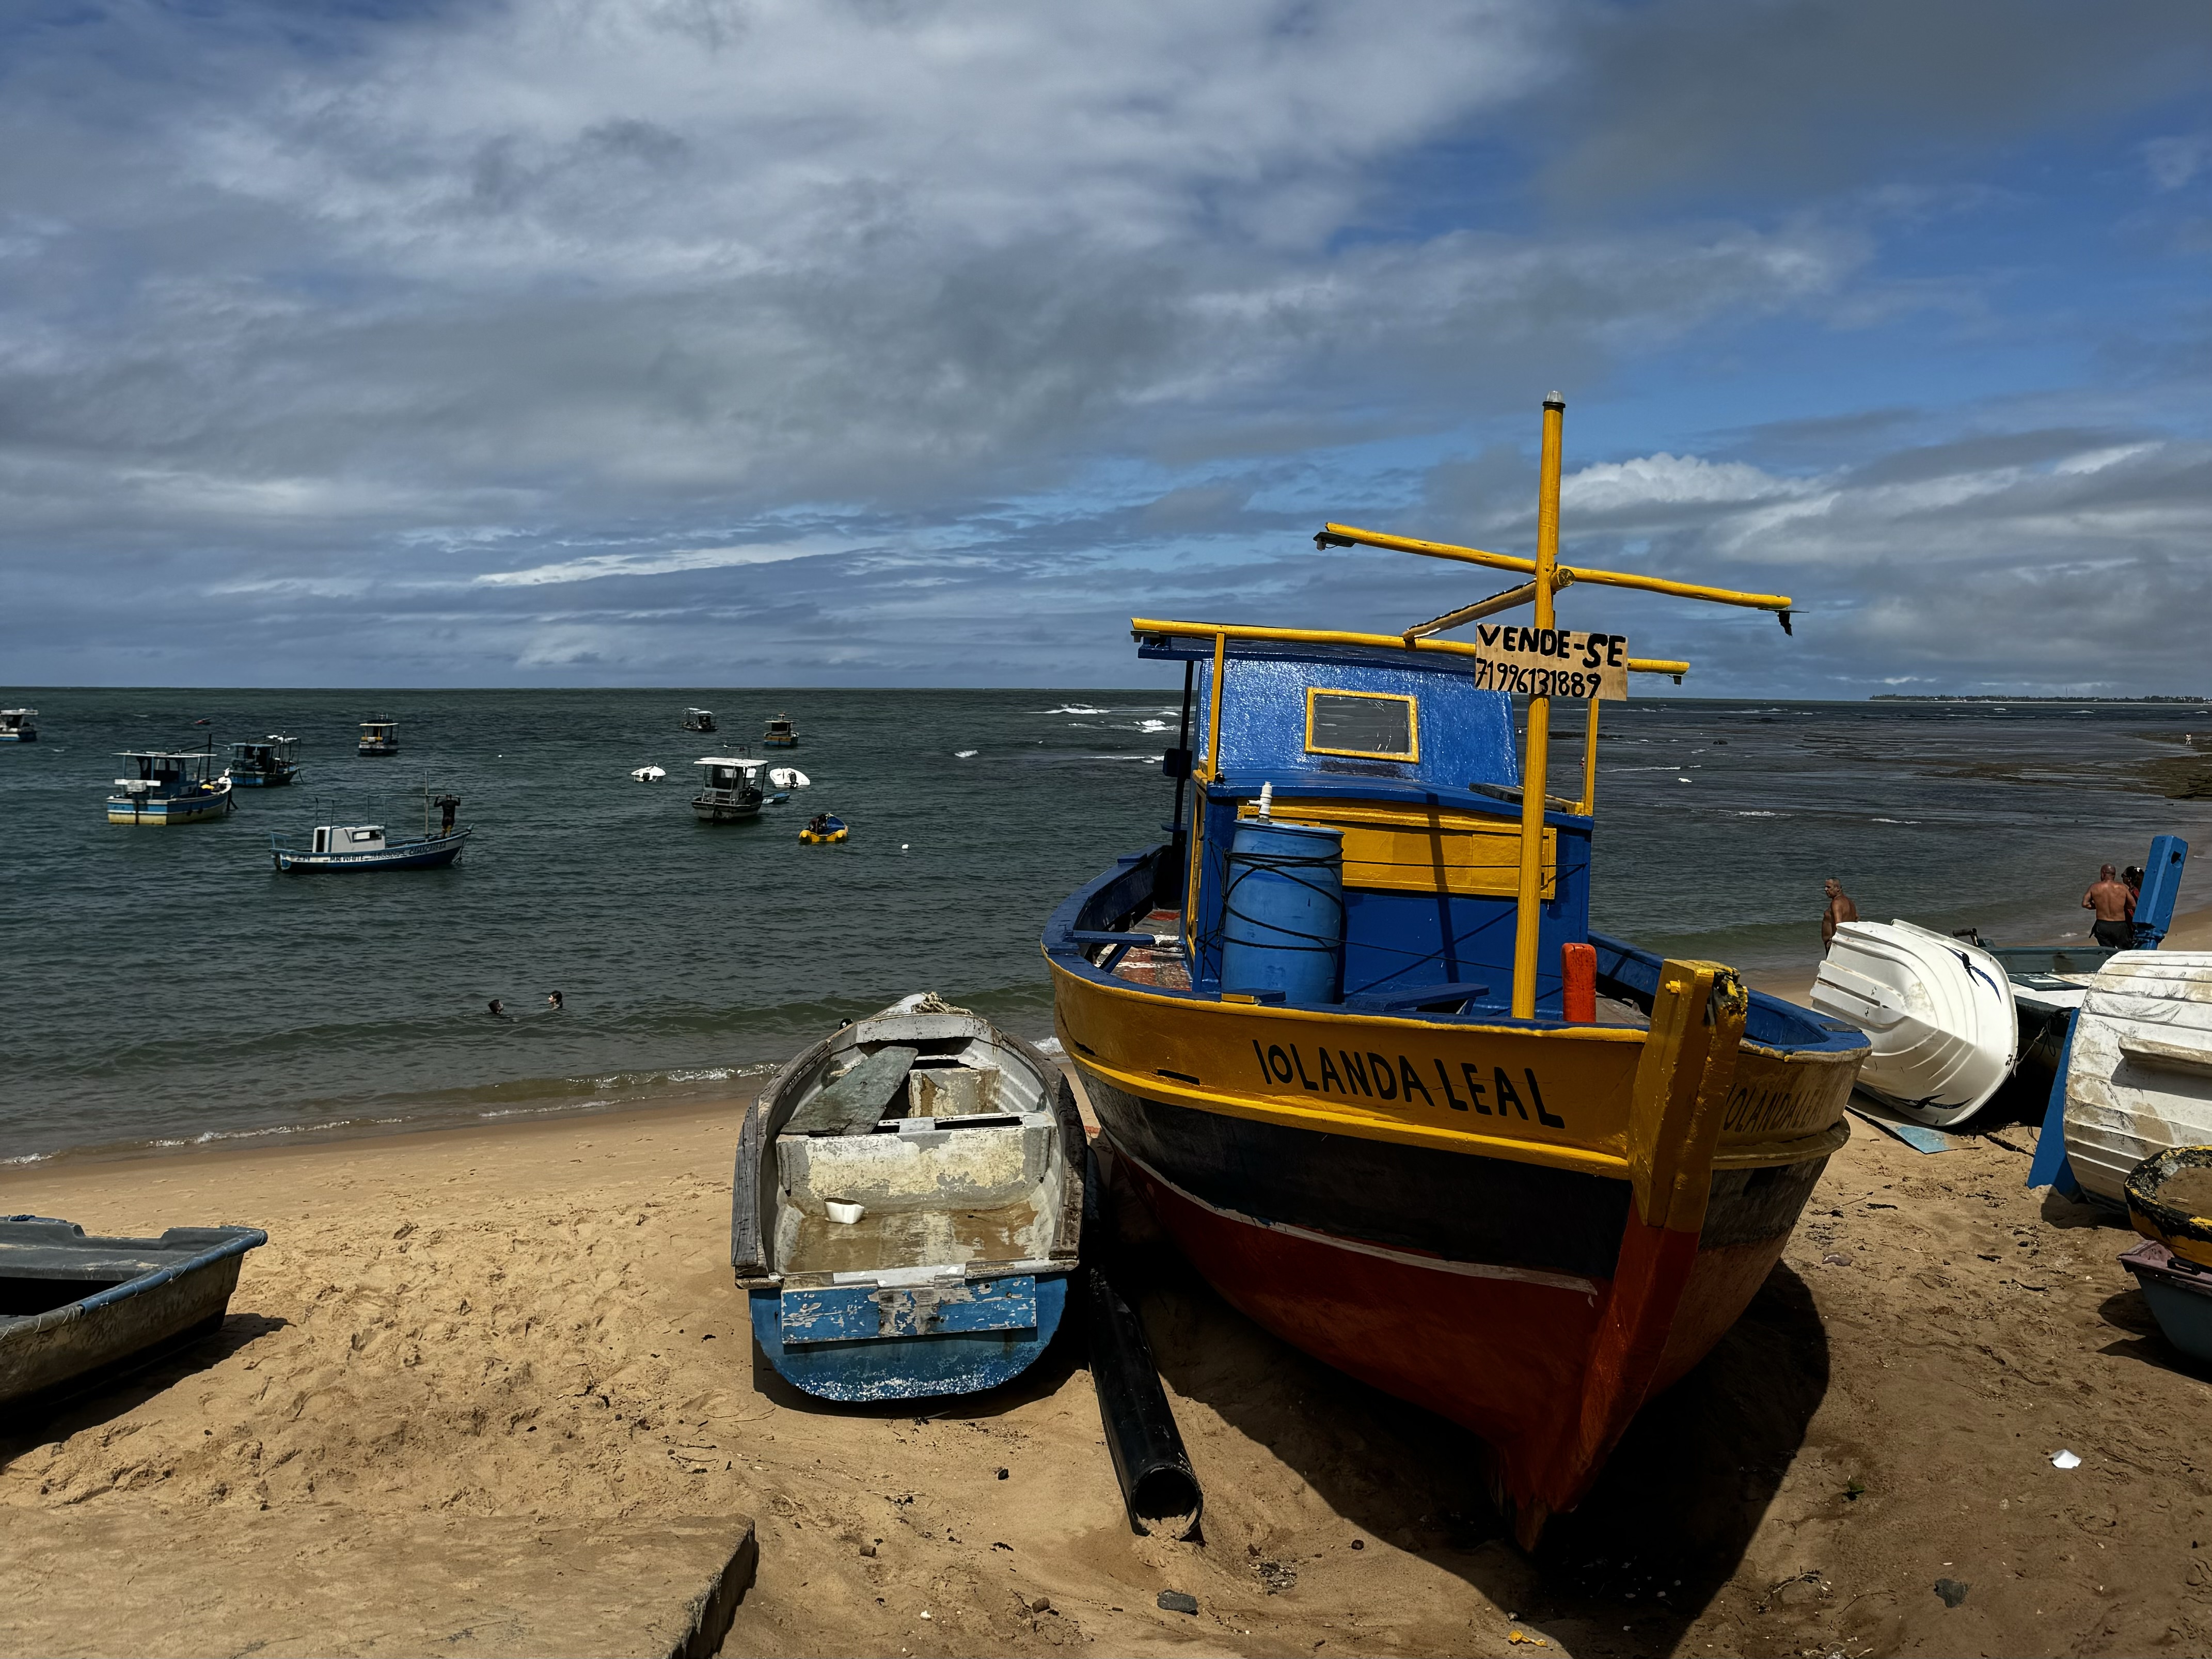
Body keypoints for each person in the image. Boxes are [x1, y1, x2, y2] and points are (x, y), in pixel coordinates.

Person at [2083, 864, 2135, 949]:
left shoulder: (2095, 887)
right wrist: (2120, 906)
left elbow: (2085, 904)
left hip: (2103, 925)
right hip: (2120, 925)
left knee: (2108, 951)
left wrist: (2098, 906)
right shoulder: (2122, 888)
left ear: (2103, 873)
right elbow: (2133, 905)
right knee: (2125, 951)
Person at [1822, 879, 1858, 951]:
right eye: (1825, 887)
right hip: (1846, 941)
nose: (1825, 890)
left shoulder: (1836, 903)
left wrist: (1834, 941)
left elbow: (1838, 923)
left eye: (1829, 887)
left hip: (1835, 944)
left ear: (1838, 888)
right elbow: (1857, 918)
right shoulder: (1850, 902)